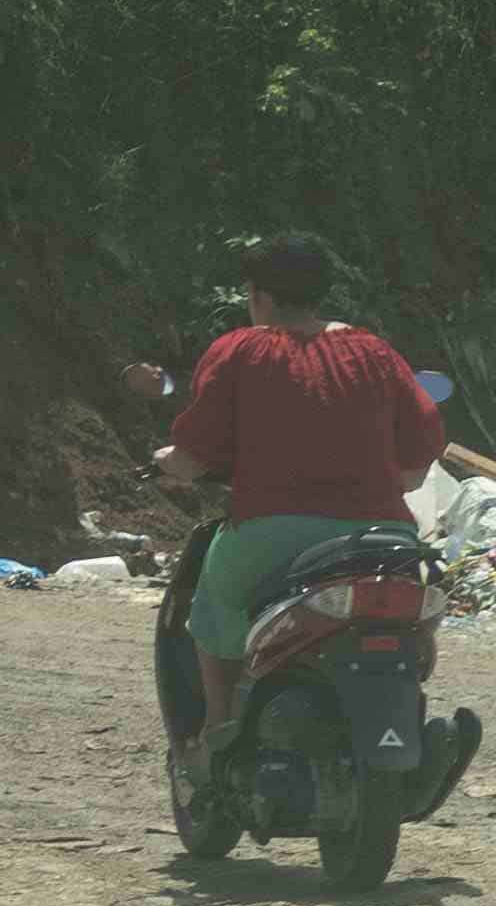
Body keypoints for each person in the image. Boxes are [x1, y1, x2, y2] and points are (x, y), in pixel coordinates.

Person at [161, 234, 477, 807]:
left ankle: (219, 729)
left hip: (269, 532)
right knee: (410, 613)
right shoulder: (376, 355)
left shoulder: (239, 351)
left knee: (212, 609)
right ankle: (409, 723)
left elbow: (191, 456)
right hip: (383, 540)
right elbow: (416, 463)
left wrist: (168, 464)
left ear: (257, 296)